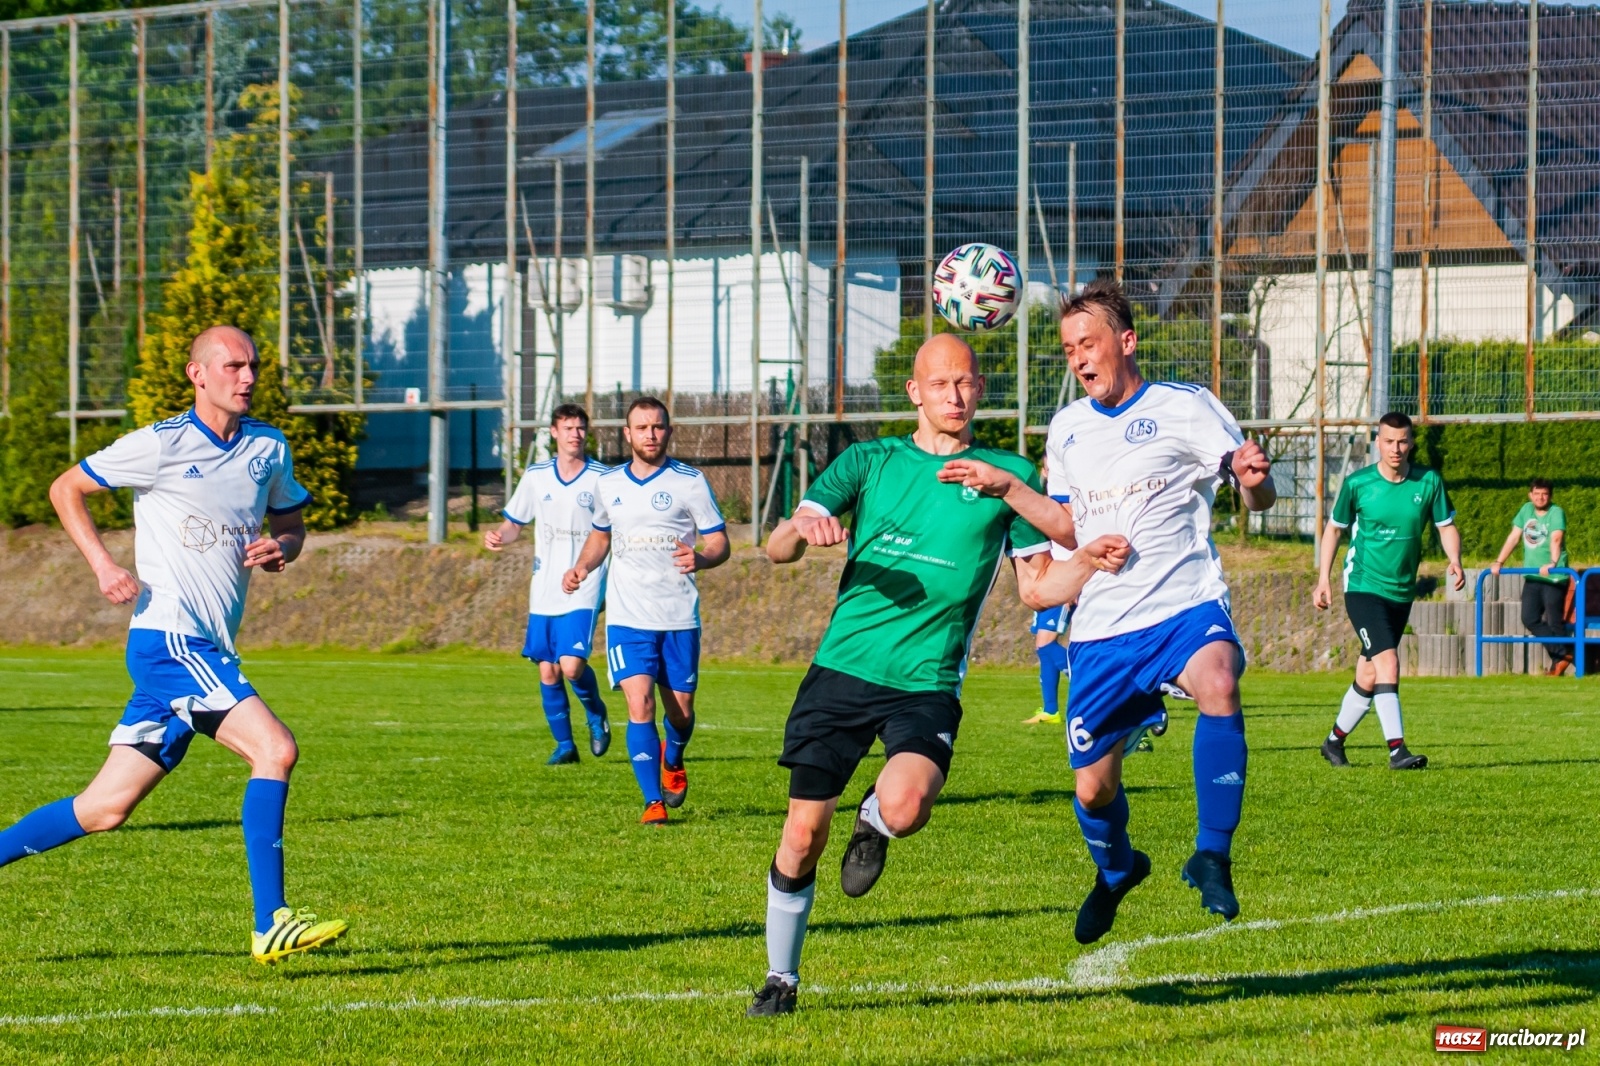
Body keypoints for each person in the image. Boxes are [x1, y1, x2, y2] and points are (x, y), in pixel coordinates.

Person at [746, 332, 1120, 1017]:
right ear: (914, 392)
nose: (955, 395)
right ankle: (781, 977)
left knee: (906, 806)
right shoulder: (870, 460)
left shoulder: (1006, 475)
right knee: (801, 835)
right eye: (940, 383)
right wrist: (805, 529)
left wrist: (1089, 560)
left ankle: (874, 821)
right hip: (841, 671)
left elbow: (1037, 590)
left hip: (927, 682)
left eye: (967, 383)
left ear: (980, 390)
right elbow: (776, 546)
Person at [0, 326, 347, 964]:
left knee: (103, 808)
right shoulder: (160, 445)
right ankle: (270, 920)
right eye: (233, 365)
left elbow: (291, 521)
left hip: (207, 648)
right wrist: (104, 567)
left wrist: (283, 548)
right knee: (275, 748)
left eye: (253, 366)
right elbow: (64, 487)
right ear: (197, 374)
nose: (247, 377)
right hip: (169, 640)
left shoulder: (268, 447)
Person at [1042, 279, 1276, 945]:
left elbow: (1251, 487)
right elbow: (1064, 525)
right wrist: (1008, 493)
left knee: (1220, 682)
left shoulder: (1185, 406)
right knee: (1092, 789)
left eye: (1088, 343)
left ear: (1126, 341)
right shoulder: (1067, 429)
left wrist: (1253, 479)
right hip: (1100, 630)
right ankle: (1117, 871)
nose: (1079, 358)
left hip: (1183, 602)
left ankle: (1211, 853)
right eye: (1067, 349)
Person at [562, 398, 729, 825]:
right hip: (627, 617)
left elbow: (719, 542)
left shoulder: (691, 482)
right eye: (642, 428)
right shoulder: (609, 484)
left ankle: (673, 758)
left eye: (657, 427)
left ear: (668, 432)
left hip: (677, 617)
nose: (650, 434)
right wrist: (582, 566)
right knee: (640, 705)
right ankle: (652, 801)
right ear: (627, 434)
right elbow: (601, 536)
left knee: (681, 712)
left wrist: (703, 558)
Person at [1315, 411, 1465, 769]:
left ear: (1411, 443)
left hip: (1401, 591)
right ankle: (1397, 750)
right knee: (1389, 662)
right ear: (1377, 443)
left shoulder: (1428, 482)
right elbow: (1334, 529)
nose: (1396, 448)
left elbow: (1446, 526)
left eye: (1402, 441)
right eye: (1388, 441)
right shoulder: (1358, 484)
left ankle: (1333, 743)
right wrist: (1323, 579)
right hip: (1364, 586)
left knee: (1369, 672)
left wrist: (1455, 560)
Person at [485, 404, 613, 763]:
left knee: (571, 665)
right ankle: (565, 746)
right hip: (544, 585)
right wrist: (500, 536)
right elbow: (515, 523)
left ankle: (595, 712)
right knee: (548, 668)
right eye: (568, 427)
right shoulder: (537, 476)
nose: (576, 433)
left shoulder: (602, 478)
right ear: (554, 433)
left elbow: (614, 528)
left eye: (581, 428)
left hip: (585, 581)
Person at [1491, 477, 1572, 675]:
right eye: (1537, 493)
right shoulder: (1526, 510)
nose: (1540, 497)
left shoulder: (1556, 512)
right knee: (1529, 618)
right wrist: (1499, 561)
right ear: (1530, 495)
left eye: (1544, 494)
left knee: (1554, 621)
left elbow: (1556, 538)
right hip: (1533, 576)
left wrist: (1552, 564)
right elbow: (1514, 537)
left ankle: (1558, 663)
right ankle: (1563, 654)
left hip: (1553, 576)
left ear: (1550, 496)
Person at [1024, 604, 1071, 725]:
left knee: (1046, 644)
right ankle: (1050, 711)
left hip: (1059, 596)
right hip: (1045, 595)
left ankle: (1089, 681)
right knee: (1042, 648)